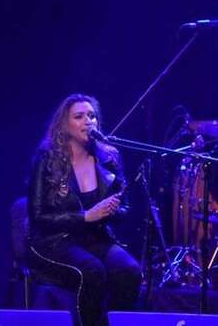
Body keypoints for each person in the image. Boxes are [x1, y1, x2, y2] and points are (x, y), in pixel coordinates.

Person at [28, 94, 141, 326]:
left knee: (130, 270)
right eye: (79, 116)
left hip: (96, 238)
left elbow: (125, 207)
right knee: (92, 270)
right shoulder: (47, 158)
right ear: (64, 124)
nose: (88, 121)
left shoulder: (109, 157)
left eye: (92, 116)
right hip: (55, 240)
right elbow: (38, 217)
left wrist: (110, 210)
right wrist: (86, 216)